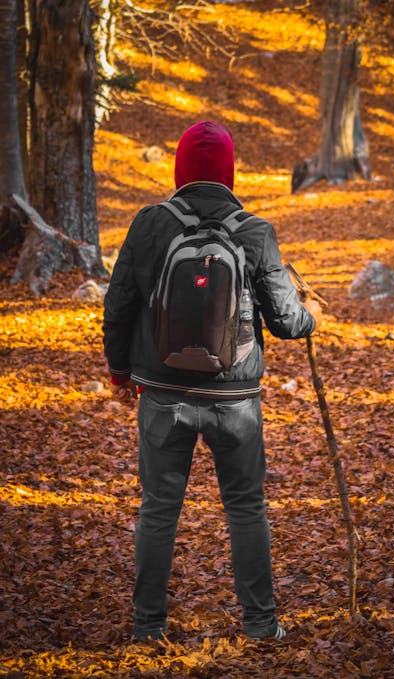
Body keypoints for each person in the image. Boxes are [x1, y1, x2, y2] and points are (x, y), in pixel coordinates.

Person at [103, 120, 322, 642]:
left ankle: (148, 627)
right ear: (229, 171)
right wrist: (313, 312)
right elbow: (288, 322)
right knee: (246, 506)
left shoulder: (149, 224)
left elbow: (118, 306)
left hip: (161, 392)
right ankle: (261, 624)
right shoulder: (254, 230)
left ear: (179, 168)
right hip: (235, 398)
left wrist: (118, 371)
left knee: (158, 508)